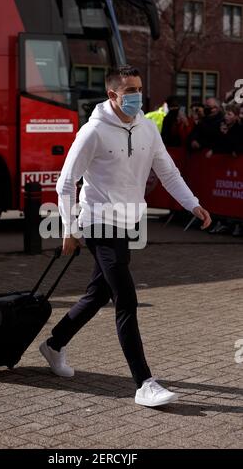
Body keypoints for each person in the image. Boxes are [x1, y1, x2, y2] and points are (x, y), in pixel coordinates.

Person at [39, 65, 211, 408]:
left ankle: (54, 344)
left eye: (139, 88)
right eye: (129, 90)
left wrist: (193, 205)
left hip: (128, 222)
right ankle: (144, 383)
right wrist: (70, 228)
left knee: (97, 294)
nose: (136, 96)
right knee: (126, 299)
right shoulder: (93, 132)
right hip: (98, 221)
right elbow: (66, 182)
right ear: (112, 95)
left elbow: (168, 172)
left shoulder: (147, 128)